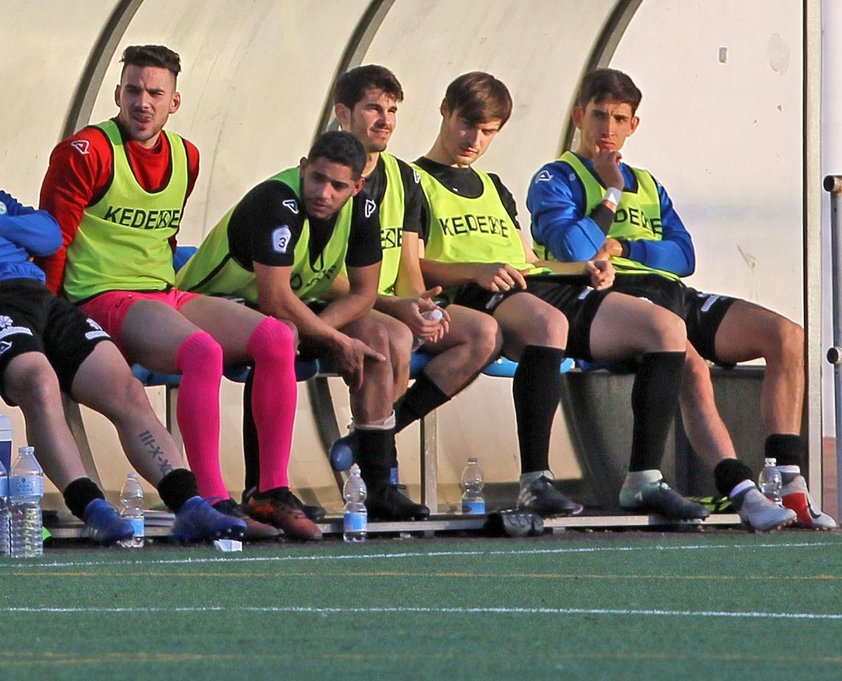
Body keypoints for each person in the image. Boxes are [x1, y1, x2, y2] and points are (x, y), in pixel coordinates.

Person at [0, 87, 248, 545]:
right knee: (39, 382)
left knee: (125, 388)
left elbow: (49, 235)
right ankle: (93, 507)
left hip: (39, 298)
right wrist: (12, 240)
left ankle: (190, 504)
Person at [37, 44, 313, 540]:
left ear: (174, 102)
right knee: (202, 351)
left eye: (155, 93)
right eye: (133, 90)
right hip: (102, 298)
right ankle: (209, 501)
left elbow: (162, 237)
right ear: (117, 94)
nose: (142, 102)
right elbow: (52, 242)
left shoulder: (187, 156)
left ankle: (270, 492)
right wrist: (49, 324)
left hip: (163, 292)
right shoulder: (87, 151)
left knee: (276, 336)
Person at [413, 72, 708, 522]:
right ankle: (535, 481)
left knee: (667, 329)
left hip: (531, 286)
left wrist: (583, 270)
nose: (474, 140)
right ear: (444, 112)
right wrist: (476, 270)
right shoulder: (413, 179)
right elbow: (407, 264)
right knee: (549, 323)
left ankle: (644, 480)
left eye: (488, 131)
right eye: (466, 125)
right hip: (473, 295)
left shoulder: (494, 186)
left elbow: (533, 261)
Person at [528, 68, 814, 530]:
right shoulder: (556, 177)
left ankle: (789, 483)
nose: (607, 129)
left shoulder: (647, 183)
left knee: (787, 336)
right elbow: (573, 250)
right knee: (690, 363)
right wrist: (611, 191)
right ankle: (742, 490)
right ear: (579, 117)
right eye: (598, 116)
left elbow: (683, 255)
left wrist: (624, 246)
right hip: (614, 302)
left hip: (670, 291)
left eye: (619, 118)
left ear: (633, 125)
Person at [179, 130, 427, 521]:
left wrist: (329, 335)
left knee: (376, 339)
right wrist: (333, 340)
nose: (324, 193)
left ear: (357, 187)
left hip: (286, 308)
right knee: (282, 336)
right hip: (210, 304)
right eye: (317, 178)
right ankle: (262, 491)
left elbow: (364, 294)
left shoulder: (363, 209)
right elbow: (275, 299)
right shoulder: (277, 200)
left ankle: (378, 487)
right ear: (303, 167)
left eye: (338, 186)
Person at [326, 66, 500, 456]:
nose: (385, 121)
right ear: (342, 114)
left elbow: (409, 264)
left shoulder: (404, 177)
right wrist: (397, 308)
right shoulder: (327, 178)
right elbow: (321, 276)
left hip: (387, 301)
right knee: (396, 337)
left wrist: (421, 306)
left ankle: (375, 440)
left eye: (392, 111)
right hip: (341, 303)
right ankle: (379, 461)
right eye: (373, 109)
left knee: (483, 333)